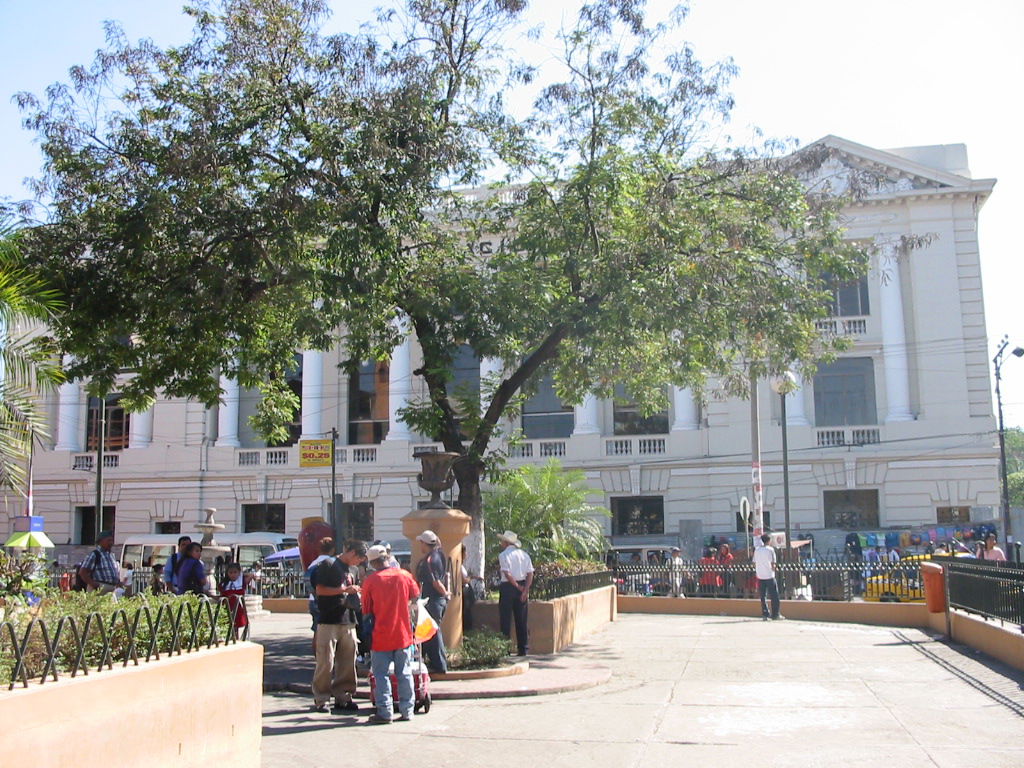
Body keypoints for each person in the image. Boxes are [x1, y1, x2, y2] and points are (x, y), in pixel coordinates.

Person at [362, 543, 421, 724]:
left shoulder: (370, 582)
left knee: (381, 675)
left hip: (381, 636)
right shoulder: (404, 575)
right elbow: (416, 596)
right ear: (387, 558)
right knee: (404, 673)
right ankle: (407, 711)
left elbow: (366, 611)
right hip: (402, 634)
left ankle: (385, 712)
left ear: (372, 563)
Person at [311, 538, 367, 713]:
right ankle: (321, 698)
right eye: (358, 558)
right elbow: (320, 590)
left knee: (348, 661)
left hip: (349, 619)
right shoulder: (328, 565)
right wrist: (343, 591)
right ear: (351, 552)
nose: (359, 563)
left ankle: (344, 696)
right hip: (329, 619)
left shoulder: (354, 570)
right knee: (325, 661)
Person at [415, 530, 451, 674]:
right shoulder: (439, 554)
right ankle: (434, 662)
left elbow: (436, 582)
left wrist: (444, 593)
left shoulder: (430, 560)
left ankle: (440, 665)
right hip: (436, 600)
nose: (420, 546)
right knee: (429, 631)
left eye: (421, 543)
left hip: (433, 600)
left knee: (433, 632)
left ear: (425, 543)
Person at [497, 530, 534, 656]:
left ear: (506, 543)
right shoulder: (524, 555)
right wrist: (525, 590)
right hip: (522, 585)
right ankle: (523, 648)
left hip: (508, 587)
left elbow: (507, 574)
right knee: (521, 619)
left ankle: (505, 649)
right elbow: (530, 573)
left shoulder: (503, 555)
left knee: (505, 619)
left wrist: (517, 587)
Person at [753, 533, 782, 621]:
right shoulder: (770, 550)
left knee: (763, 596)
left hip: (760, 575)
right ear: (769, 541)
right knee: (774, 596)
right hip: (769, 575)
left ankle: (765, 614)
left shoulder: (757, 550)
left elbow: (754, 562)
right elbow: (773, 563)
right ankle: (775, 614)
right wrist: (774, 570)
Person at [219, 562, 249, 638]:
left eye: (235, 572)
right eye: (230, 572)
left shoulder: (241, 582)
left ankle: (236, 638)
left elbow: (250, 575)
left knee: (236, 626)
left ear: (239, 573)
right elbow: (221, 595)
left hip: (237, 607)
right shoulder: (224, 584)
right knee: (228, 626)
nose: (233, 575)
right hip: (227, 607)